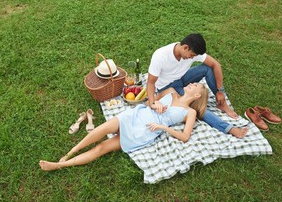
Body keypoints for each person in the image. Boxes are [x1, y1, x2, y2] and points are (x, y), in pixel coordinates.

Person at [39, 83, 208, 171]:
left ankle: (58, 165)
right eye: (193, 83)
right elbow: (150, 100)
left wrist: (163, 128)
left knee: (102, 147)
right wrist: (155, 104)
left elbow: (185, 137)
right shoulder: (171, 91)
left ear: (197, 95)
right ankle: (69, 153)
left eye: (195, 86)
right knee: (102, 129)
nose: (191, 84)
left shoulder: (190, 112)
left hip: (145, 130)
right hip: (137, 115)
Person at [147, 33, 248, 138]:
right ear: (186, 47)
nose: (192, 58)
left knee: (207, 68)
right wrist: (152, 102)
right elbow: (150, 83)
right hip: (168, 87)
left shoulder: (190, 50)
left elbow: (215, 65)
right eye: (192, 56)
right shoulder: (160, 56)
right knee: (196, 105)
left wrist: (219, 91)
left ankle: (222, 103)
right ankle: (229, 129)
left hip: (182, 78)